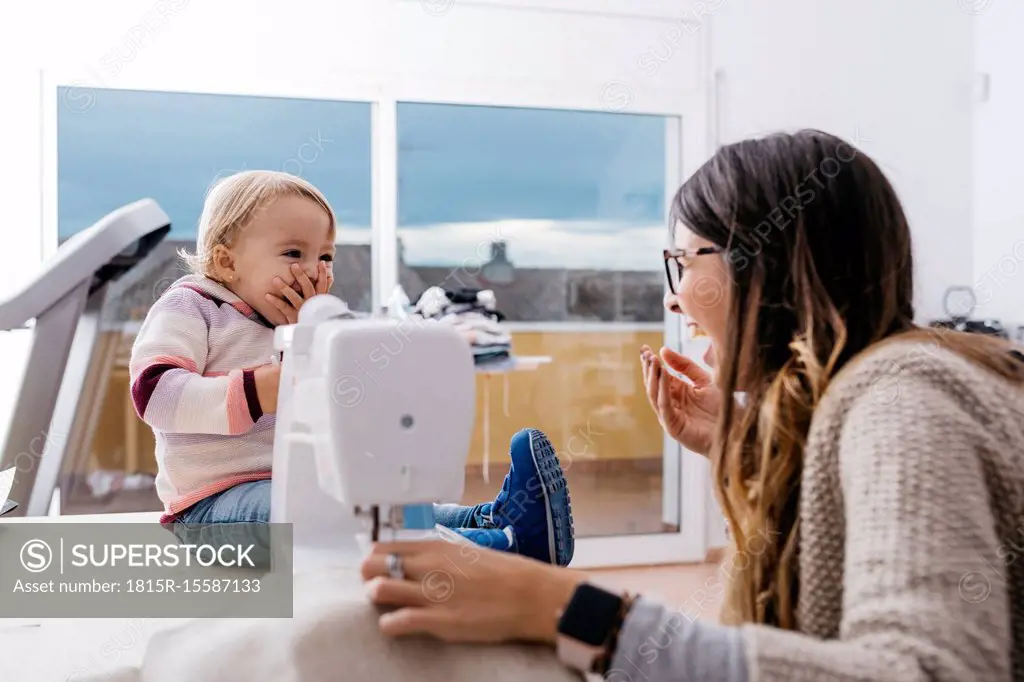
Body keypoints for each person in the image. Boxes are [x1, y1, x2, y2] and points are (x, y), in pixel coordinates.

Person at [361, 130, 1024, 681]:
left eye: (683, 262)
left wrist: (575, 609)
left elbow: (934, 671)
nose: (673, 300)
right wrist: (743, 444)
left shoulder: (901, 399)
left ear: (762, 262)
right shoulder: (877, 391)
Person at [129, 169, 575, 566]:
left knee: (390, 502)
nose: (314, 271)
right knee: (341, 514)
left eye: (324, 258)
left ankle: (498, 522)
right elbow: (156, 395)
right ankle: (499, 551)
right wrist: (270, 384)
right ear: (226, 261)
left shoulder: (316, 321)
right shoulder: (193, 306)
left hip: (306, 482)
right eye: (293, 254)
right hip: (211, 508)